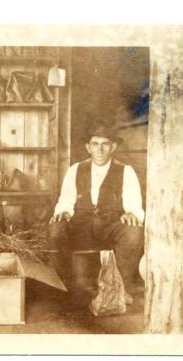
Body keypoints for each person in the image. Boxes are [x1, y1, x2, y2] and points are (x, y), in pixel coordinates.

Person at [48, 122, 144, 299]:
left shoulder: (126, 171)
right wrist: (64, 212)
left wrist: (131, 212)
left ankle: (121, 288)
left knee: (134, 230)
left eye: (105, 144)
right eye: (95, 144)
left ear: (113, 147)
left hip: (110, 227)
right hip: (82, 227)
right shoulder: (75, 169)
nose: (100, 150)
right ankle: (61, 283)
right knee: (56, 228)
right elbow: (66, 199)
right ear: (88, 147)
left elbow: (134, 204)